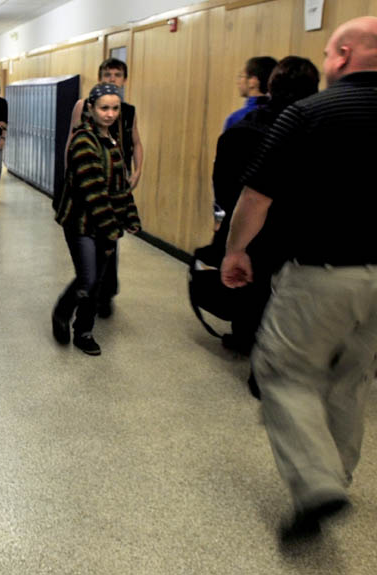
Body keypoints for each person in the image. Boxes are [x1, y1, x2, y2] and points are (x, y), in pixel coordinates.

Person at [221, 16, 377, 541]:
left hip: (322, 274)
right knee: (350, 380)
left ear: (344, 55)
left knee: (283, 372)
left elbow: (255, 196)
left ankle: (317, 484)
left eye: (332, 50)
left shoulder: (309, 114)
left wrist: (236, 251)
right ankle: (340, 475)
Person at [211, 56, 320, 364]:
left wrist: (228, 220)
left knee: (252, 288)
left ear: (270, 86)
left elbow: (224, 182)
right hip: (299, 230)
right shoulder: (316, 128)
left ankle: (246, 340)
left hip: (251, 225)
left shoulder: (243, 126)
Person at [52, 83, 141, 356]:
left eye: (115, 108)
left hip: (105, 223)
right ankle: (62, 313)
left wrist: (130, 216)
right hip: (81, 222)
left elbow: (119, 186)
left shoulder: (111, 140)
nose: (110, 114)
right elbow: (95, 192)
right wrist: (113, 230)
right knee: (88, 278)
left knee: (98, 281)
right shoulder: (83, 141)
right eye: (104, 108)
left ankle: (84, 331)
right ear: (90, 108)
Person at [68, 58, 144, 317]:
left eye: (118, 75)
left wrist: (137, 171)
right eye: (108, 74)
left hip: (116, 184)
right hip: (91, 177)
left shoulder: (127, 110)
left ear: (124, 79)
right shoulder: (85, 106)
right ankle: (85, 293)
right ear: (100, 77)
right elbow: (72, 140)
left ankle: (104, 293)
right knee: (93, 236)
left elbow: (136, 142)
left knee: (110, 240)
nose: (113, 79)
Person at [222, 56, 277, 132]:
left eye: (241, 76)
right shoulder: (282, 115)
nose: (238, 82)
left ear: (252, 81)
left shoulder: (236, 119)